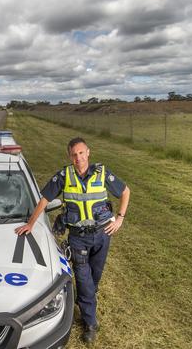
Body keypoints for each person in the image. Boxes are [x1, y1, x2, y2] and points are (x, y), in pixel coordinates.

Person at [15, 137, 130, 344]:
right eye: (74, 154)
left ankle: (86, 299)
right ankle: (91, 323)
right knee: (84, 280)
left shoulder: (102, 173)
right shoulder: (64, 175)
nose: (78, 158)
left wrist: (120, 219)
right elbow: (44, 199)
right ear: (69, 156)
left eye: (81, 153)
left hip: (103, 234)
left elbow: (125, 191)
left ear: (88, 153)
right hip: (78, 238)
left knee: (94, 278)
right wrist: (31, 224)